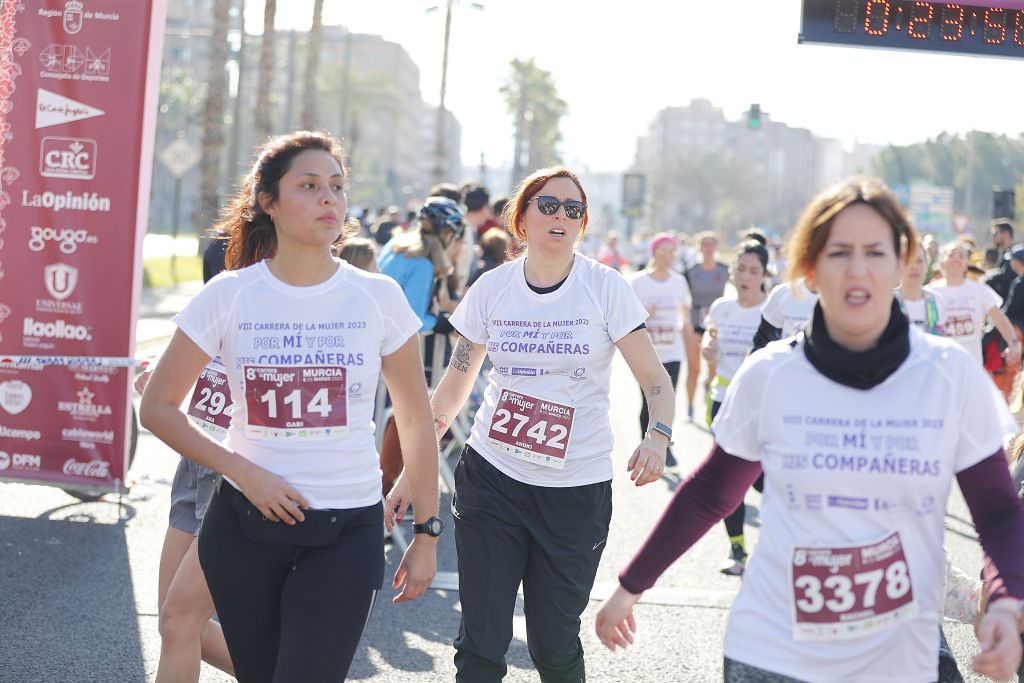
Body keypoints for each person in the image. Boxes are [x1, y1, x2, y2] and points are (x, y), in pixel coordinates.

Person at [595, 176, 1024, 683]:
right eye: (839, 252)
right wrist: (630, 586)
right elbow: (711, 492)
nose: (858, 268)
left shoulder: (951, 376)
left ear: (903, 264)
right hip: (774, 649)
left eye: (875, 252)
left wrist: (1005, 599)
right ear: (811, 268)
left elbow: (997, 510)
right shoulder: (769, 374)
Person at [139, 131, 441, 682]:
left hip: (346, 528)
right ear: (268, 201)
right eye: (309, 185)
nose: (329, 198)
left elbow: (416, 420)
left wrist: (427, 532)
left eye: (337, 186)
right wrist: (240, 470)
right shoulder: (228, 296)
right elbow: (157, 407)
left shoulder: (378, 298)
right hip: (243, 526)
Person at [388, 165, 675, 682]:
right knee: (481, 643)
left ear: (582, 224)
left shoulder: (605, 288)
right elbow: (452, 389)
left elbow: (656, 381)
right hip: (493, 480)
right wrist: (415, 469)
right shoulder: (491, 290)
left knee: (554, 642)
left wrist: (658, 435)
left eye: (573, 209)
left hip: (574, 490)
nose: (560, 215)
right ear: (521, 218)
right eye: (548, 205)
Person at [143, 240, 234, 683]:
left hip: (241, 474)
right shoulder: (211, 308)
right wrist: (161, 383)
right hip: (195, 458)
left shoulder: (288, 307)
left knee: (182, 620)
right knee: (173, 620)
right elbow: (170, 389)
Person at [701, 240, 769, 575]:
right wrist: (708, 351)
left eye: (753, 271)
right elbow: (709, 341)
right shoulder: (722, 308)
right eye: (740, 268)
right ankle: (737, 549)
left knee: (763, 481)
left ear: (764, 275)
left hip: (762, 407)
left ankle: (777, 547)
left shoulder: (771, 311)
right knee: (729, 479)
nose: (745, 276)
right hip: (723, 401)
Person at [629, 232, 691, 467]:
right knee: (647, 401)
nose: (667, 257)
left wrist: (683, 327)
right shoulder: (639, 282)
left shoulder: (679, 281)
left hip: (673, 350)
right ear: (653, 252)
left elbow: (683, 310)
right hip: (646, 352)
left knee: (668, 400)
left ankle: (664, 446)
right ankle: (645, 444)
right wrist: (647, 314)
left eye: (671, 253)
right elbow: (628, 316)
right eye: (662, 252)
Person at [378, 197, 465, 333]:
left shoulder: (396, 243)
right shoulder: (422, 264)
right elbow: (415, 323)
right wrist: (437, 321)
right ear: (448, 235)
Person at [927, 242, 1021, 367]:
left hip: (971, 365)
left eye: (961, 256)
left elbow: (1000, 319)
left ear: (967, 263)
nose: (956, 259)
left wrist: (1013, 343)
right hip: (941, 365)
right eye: (951, 255)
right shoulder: (929, 293)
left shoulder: (979, 289)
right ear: (941, 262)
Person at [683, 232, 729, 420]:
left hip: (716, 325)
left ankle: (708, 395)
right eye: (705, 245)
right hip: (695, 323)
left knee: (713, 369)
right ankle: (690, 407)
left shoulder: (724, 270)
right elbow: (682, 298)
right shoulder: (691, 272)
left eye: (712, 245)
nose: (709, 248)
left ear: (716, 248)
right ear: (699, 248)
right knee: (694, 369)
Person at [896, 241, 944, 335]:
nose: (914, 267)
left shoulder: (937, 300)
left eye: (919, 261)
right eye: (908, 261)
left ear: (926, 265)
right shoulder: (888, 301)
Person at [985, 219, 1017, 301]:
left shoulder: (1016, 256)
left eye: (995, 234)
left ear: (1006, 234)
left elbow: (1008, 282)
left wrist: (987, 280)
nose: (993, 239)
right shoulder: (1005, 255)